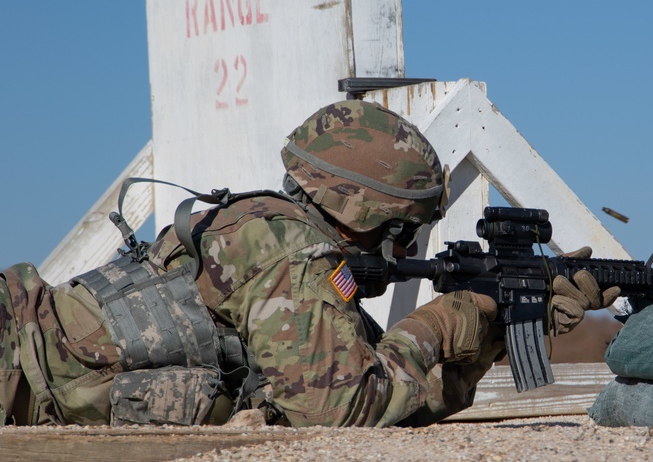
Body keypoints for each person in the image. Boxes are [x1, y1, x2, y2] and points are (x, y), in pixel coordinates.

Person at [0, 100, 618, 427]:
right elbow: (343, 408)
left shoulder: (262, 224)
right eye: (408, 232)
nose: (407, 252)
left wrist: (497, 324)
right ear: (376, 217)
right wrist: (441, 323)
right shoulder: (295, 258)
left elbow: (379, 383)